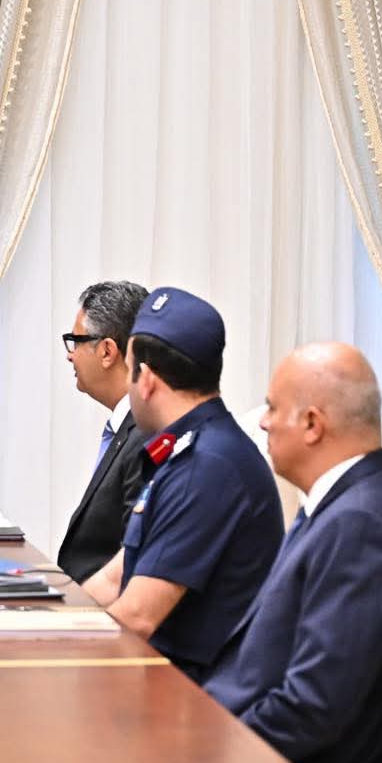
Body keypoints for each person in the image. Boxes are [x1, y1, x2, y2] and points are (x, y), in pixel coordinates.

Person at [204, 343, 382, 763]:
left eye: (272, 408)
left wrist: (208, 751)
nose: (263, 422)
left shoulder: (361, 525)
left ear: (312, 424)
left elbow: (313, 706)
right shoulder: (344, 505)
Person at [78, 287, 284, 683]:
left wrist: (57, 659)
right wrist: (43, 625)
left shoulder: (207, 466)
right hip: (164, 680)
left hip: (196, 696)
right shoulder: (187, 449)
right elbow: (112, 580)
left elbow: (138, 617)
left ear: (146, 380)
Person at [55, 280, 155, 584]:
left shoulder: (146, 437)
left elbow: (132, 563)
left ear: (107, 351)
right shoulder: (125, 428)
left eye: (76, 341)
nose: (70, 355)